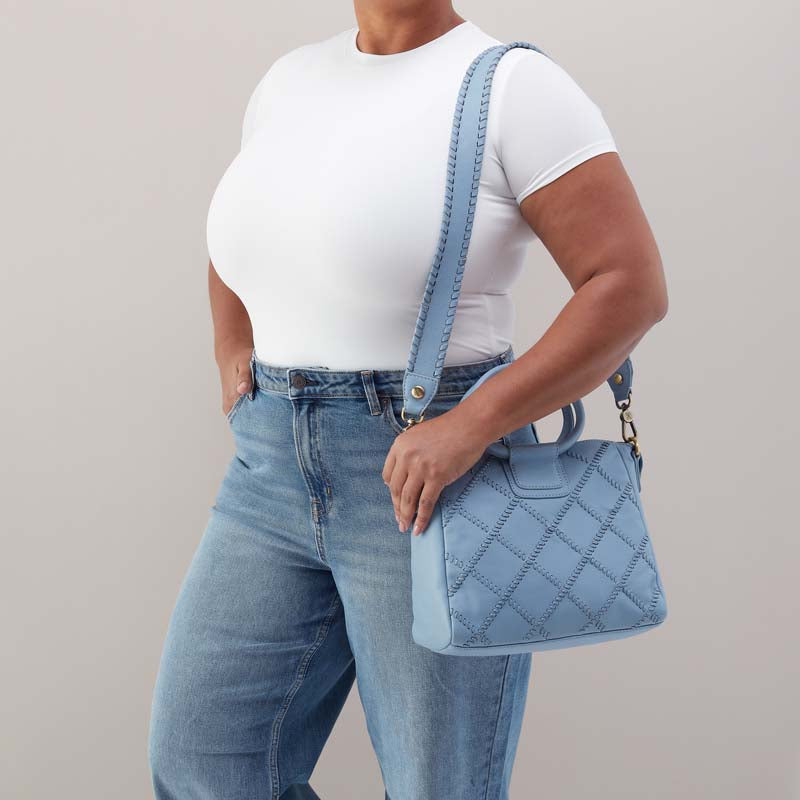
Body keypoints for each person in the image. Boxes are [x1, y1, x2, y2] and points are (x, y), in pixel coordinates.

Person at [148, 2, 668, 798]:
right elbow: (245, 235)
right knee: (203, 762)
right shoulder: (289, 81)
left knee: (437, 785)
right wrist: (231, 346)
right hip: (268, 473)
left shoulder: (515, 88)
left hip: (434, 480)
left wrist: (473, 424)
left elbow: (629, 285)